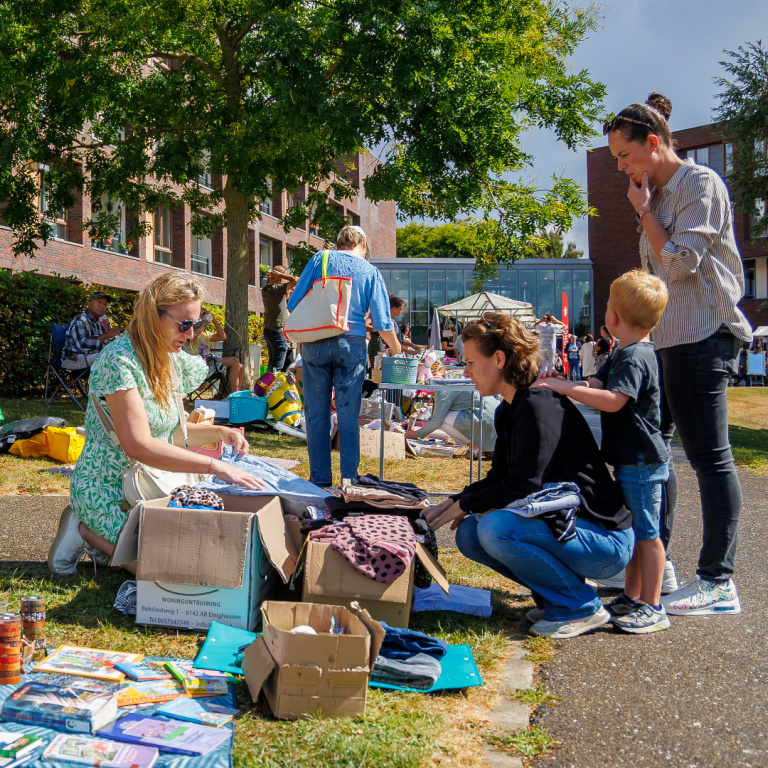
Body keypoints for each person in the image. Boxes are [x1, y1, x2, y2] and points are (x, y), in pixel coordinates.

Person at [604, 92, 753, 615]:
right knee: (653, 455)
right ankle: (656, 566)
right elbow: (654, 280)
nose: (620, 168)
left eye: (624, 156)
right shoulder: (655, 192)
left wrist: (644, 211)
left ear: (652, 142)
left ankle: (718, 583)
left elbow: (680, 264)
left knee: (709, 458)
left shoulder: (699, 184)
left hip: (705, 333)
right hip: (666, 339)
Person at [424, 313, 633, 640]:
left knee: (496, 528)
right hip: (571, 530)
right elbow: (500, 477)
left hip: (605, 540)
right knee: (468, 533)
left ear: (498, 359)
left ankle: (580, 606)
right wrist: (445, 506)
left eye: (469, 362)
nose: (465, 372)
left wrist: (463, 503)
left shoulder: (538, 404)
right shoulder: (510, 408)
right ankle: (556, 599)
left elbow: (523, 485)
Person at [47, 273, 266, 577]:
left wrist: (222, 432)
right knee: (165, 570)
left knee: (193, 560)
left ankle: (105, 539)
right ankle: (83, 529)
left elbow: (169, 433)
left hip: (149, 480)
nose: (191, 335)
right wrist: (214, 466)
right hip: (107, 489)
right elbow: (138, 444)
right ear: (153, 316)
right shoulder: (118, 360)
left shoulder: (168, 357)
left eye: (195, 323)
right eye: (185, 324)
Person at [535, 270, 671, 633]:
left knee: (646, 533)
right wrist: (560, 381)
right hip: (631, 458)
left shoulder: (635, 356)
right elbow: (594, 384)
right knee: (633, 526)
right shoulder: (621, 352)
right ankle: (631, 596)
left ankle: (654, 605)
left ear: (612, 318)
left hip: (641, 460)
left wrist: (566, 389)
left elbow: (612, 401)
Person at [287, 225, 401, 487]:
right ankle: (349, 480)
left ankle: (320, 480)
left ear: (338, 243)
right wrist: (396, 349)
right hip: (352, 343)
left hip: (315, 341)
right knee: (348, 415)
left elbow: (294, 302)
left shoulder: (320, 259)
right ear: (362, 244)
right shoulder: (370, 270)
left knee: (317, 414)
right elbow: (383, 323)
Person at [404, 389, 498, 452]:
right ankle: (477, 446)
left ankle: (475, 447)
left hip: (483, 418)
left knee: (443, 419)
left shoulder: (442, 391)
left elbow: (437, 420)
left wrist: (416, 434)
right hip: (491, 420)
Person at [184, 312, 245, 393]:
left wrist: (214, 320)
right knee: (234, 361)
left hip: (210, 362)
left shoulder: (205, 334)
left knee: (241, 367)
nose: (204, 315)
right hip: (198, 365)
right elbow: (192, 338)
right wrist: (204, 323)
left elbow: (222, 337)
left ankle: (234, 396)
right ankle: (235, 397)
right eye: (202, 314)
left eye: (205, 313)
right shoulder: (190, 332)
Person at [62, 292, 121, 370]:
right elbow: (83, 344)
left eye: (105, 304)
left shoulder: (99, 324)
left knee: (119, 356)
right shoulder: (80, 319)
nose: (102, 306)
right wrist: (107, 335)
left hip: (90, 357)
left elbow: (105, 345)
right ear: (88, 304)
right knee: (108, 358)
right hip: (74, 359)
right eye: (99, 302)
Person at [262, 265, 298, 373]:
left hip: (268, 330)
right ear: (281, 278)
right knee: (277, 367)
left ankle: (266, 387)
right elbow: (295, 280)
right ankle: (272, 386)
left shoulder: (266, 289)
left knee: (272, 363)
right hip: (278, 331)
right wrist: (281, 275)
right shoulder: (278, 289)